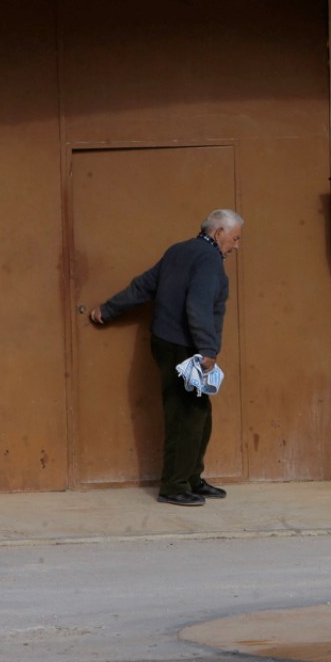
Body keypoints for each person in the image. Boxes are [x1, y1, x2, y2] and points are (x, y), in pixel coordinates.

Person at [89, 209, 244, 507]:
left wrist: (108, 309)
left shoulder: (179, 250)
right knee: (185, 417)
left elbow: (144, 285)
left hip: (168, 344)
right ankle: (174, 486)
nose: (236, 245)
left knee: (198, 414)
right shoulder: (208, 259)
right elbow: (198, 304)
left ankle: (191, 478)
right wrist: (208, 349)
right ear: (218, 233)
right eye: (235, 238)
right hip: (187, 349)